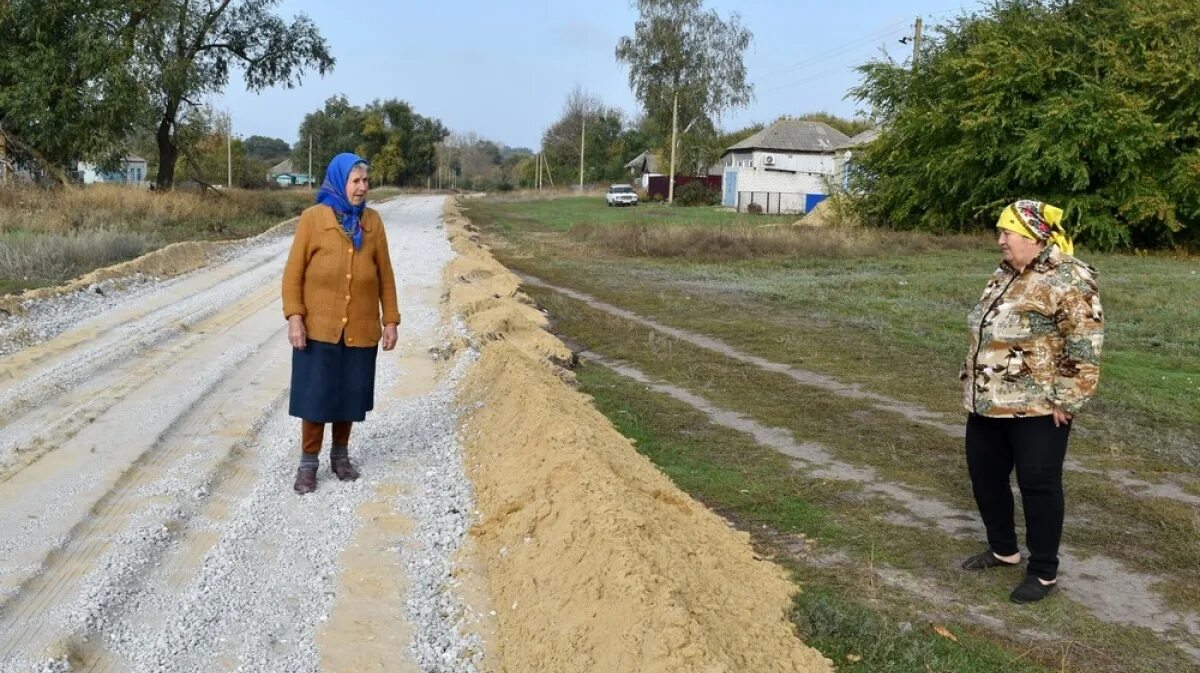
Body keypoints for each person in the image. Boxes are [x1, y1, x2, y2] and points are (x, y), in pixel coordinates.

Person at [959, 200, 1104, 603]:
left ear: (1035, 236)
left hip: (1039, 407)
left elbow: (1085, 344)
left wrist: (1068, 399)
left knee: (1038, 486)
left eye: (1007, 232)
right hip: (988, 402)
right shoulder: (1004, 273)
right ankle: (1004, 550)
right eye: (1001, 231)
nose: (999, 239)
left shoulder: (1069, 277)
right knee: (985, 477)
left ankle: (1042, 572)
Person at [281, 153, 399, 494]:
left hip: (360, 328)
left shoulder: (373, 223)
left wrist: (389, 320)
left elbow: (386, 277)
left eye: (365, 181)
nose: (362, 188)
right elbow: (293, 276)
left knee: (349, 394)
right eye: (355, 181)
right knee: (315, 397)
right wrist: (295, 318)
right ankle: (308, 463)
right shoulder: (312, 219)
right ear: (339, 182)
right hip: (318, 327)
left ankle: (341, 456)